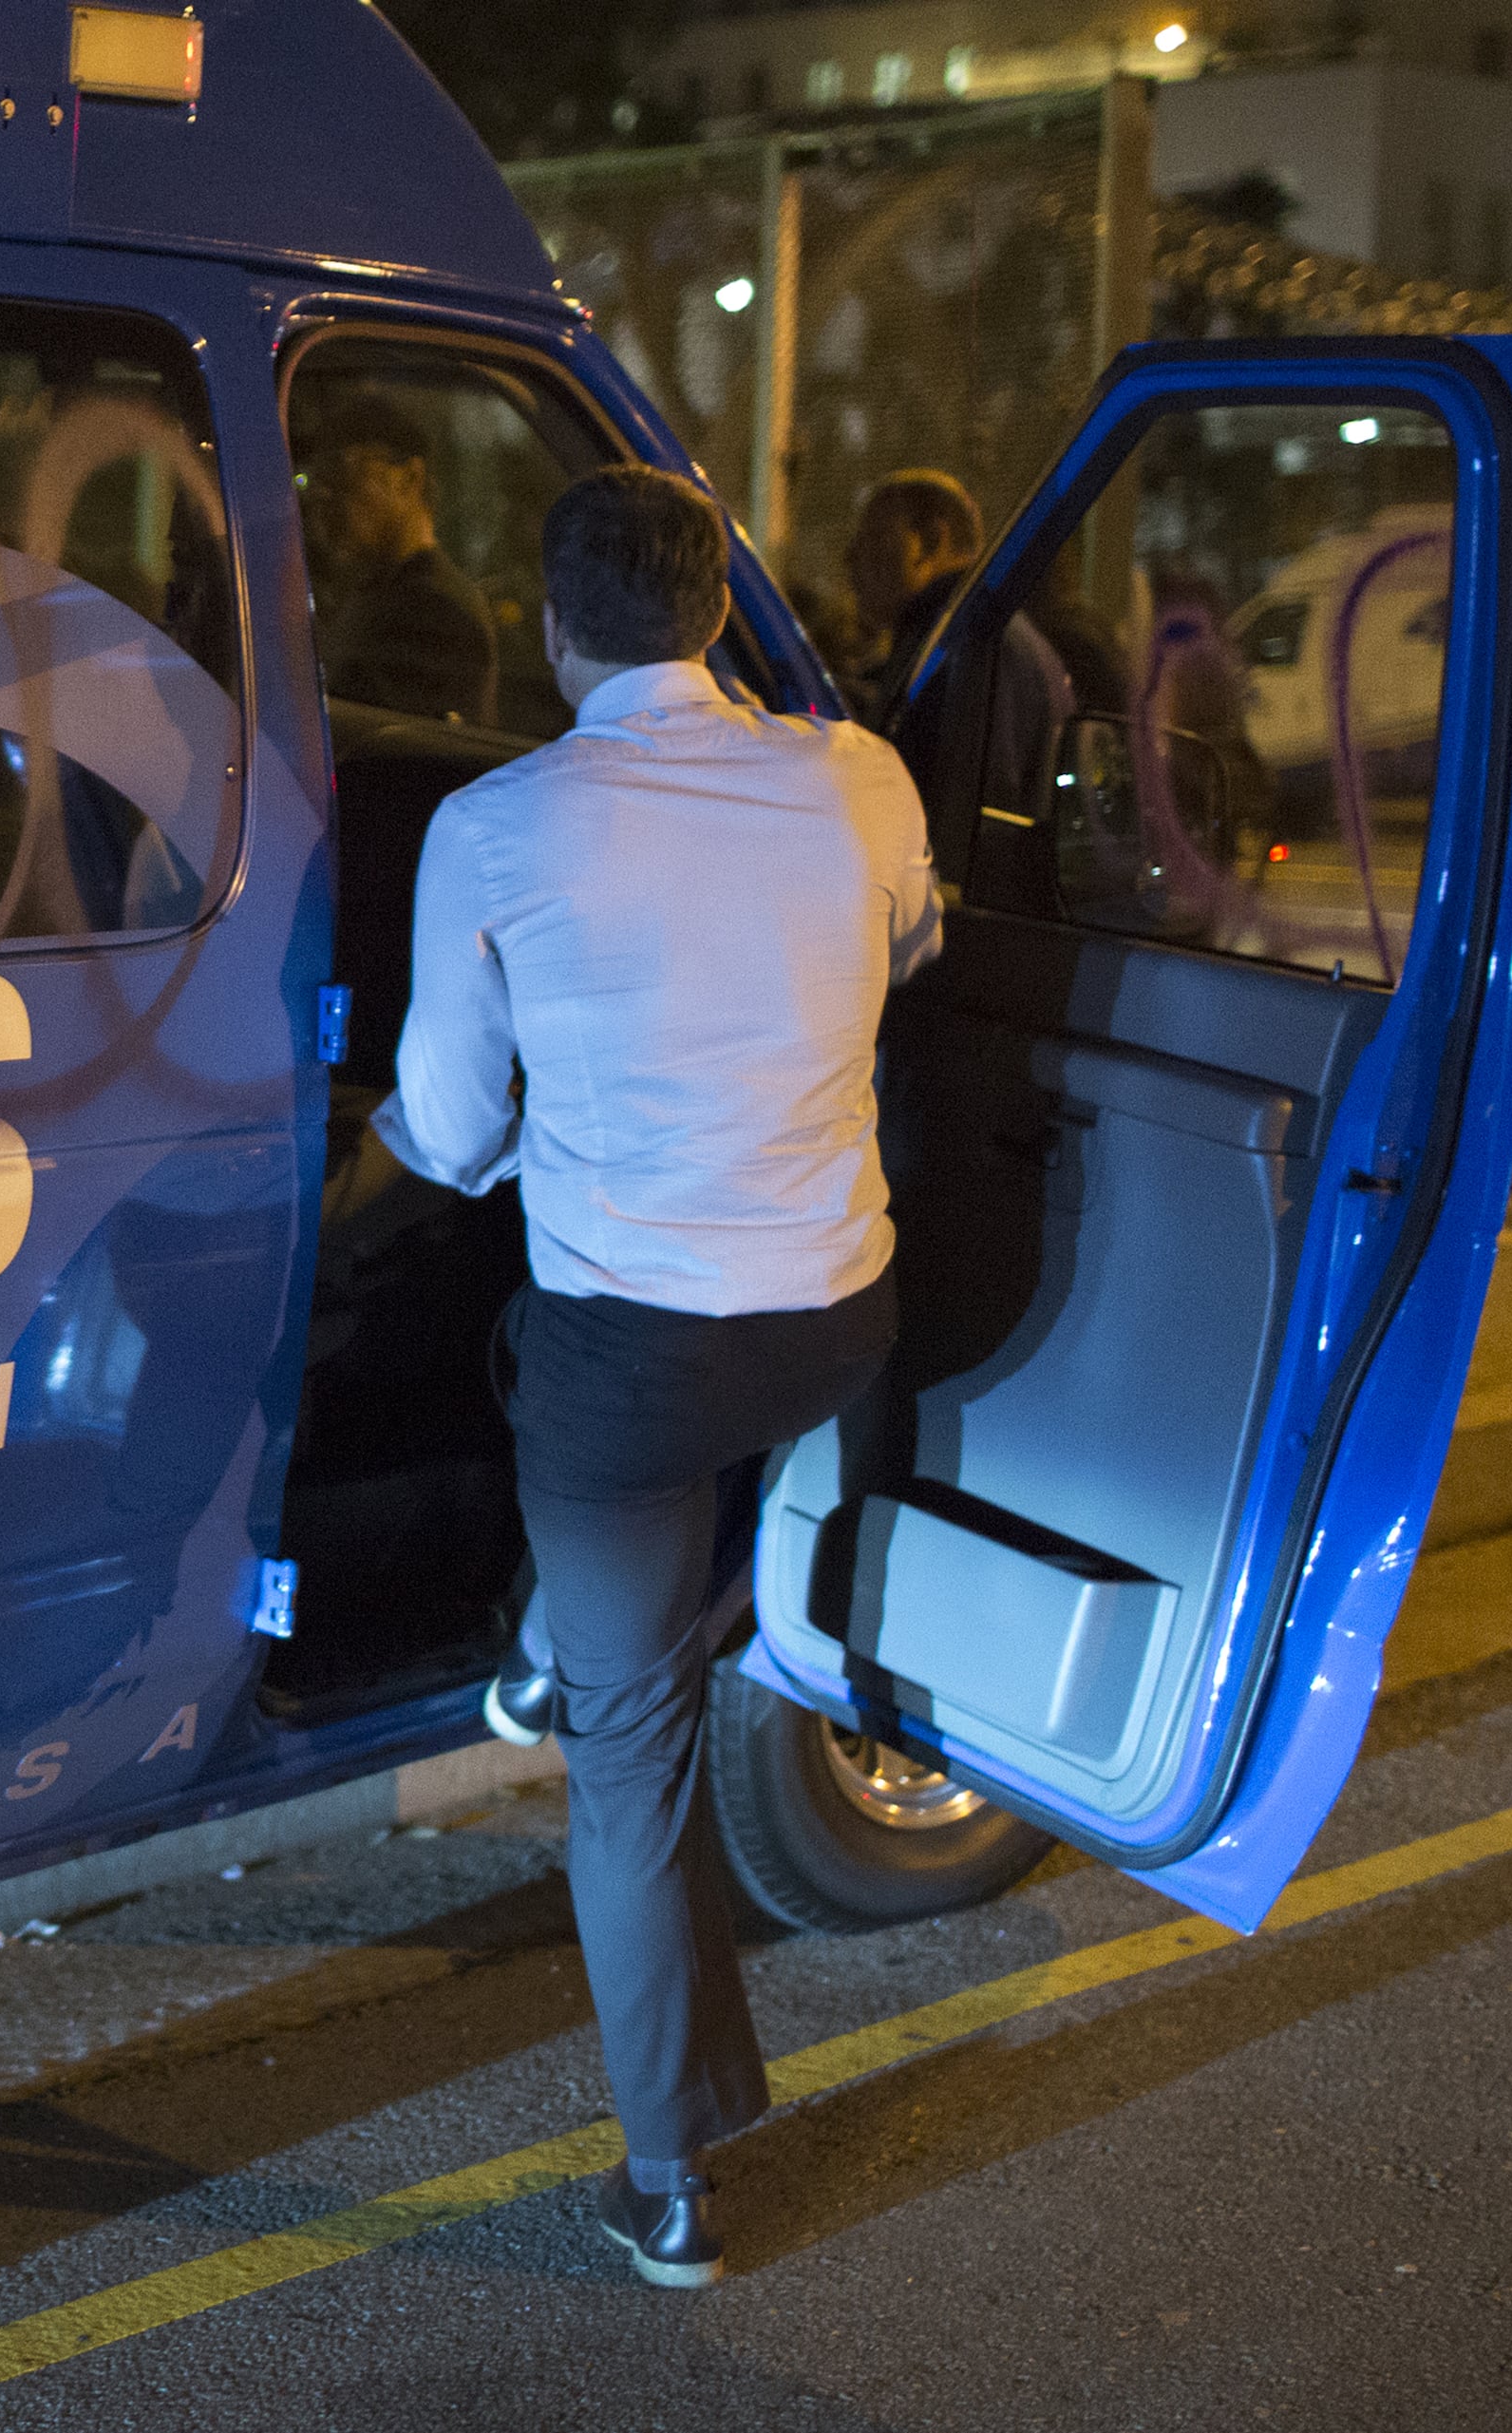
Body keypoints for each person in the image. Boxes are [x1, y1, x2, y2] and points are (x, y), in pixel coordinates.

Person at [374, 466, 939, 2289]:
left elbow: (458, 1143)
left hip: (628, 1374)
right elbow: (913, 945)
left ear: (551, 629)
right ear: (715, 613)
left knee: (631, 1762)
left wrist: (391, 1125)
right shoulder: (857, 775)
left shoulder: (497, 823)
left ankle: (673, 2175)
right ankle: (592, 1643)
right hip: (833, 1318)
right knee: (665, 1487)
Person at [840, 466, 1068, 822]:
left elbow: (976, 810)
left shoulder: (974, 642)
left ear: (931, 541)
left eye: (873, 538)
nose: (850, 560)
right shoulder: (959, 634)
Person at [298, 390, 497, 725]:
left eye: (342, 475)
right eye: (316, 483)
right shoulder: (378, 593)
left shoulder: (434, 614)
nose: (323, 499)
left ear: (409, 478)